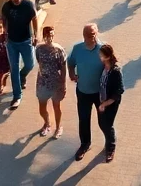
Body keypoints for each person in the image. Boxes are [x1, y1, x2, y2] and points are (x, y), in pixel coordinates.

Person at [68, 22, 105, 161]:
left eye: (94, 34)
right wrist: (71, 74)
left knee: (104, 121)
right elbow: (71, 63)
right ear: (84, 36)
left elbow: (112, 67)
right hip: (83, 91)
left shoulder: (104, 49)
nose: (92, 37)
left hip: (100, 94)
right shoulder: (77, 48)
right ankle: (85, 144)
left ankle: (109, 145)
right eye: (89, 35)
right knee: (84, 120)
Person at [1, 0, 38, 109]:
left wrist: (36, 34)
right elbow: (4, 18)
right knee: (14, 69)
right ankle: (17, 96)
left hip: (26, 40)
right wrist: (4, 30)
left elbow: (34, 18)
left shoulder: (28, 5)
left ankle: (23, 75)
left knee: (30, 64)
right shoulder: (6, 6)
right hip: (11, 42)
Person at [35, 24, 68, 138]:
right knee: (42, 107)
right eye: (48, 35)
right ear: (44, 35)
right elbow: (39, 61)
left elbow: (63, 67)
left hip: (55, 82)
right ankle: (47, 123)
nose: (50, 37)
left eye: (52, 35)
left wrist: (63, 84)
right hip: (42, 82)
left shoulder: (59, 49)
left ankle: (58, 127)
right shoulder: (39, 48)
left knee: (56, 106)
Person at [96, 44, 125, 163]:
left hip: (111, 103)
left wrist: (105, 104)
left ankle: (110, 148)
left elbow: (119, 91)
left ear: (107, 56)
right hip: (102, 100)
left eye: (101, 55)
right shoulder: (103, 67)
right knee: (101, 124)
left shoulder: (115, 71)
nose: (99, 56)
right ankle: (108, 140)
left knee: (108, 125)